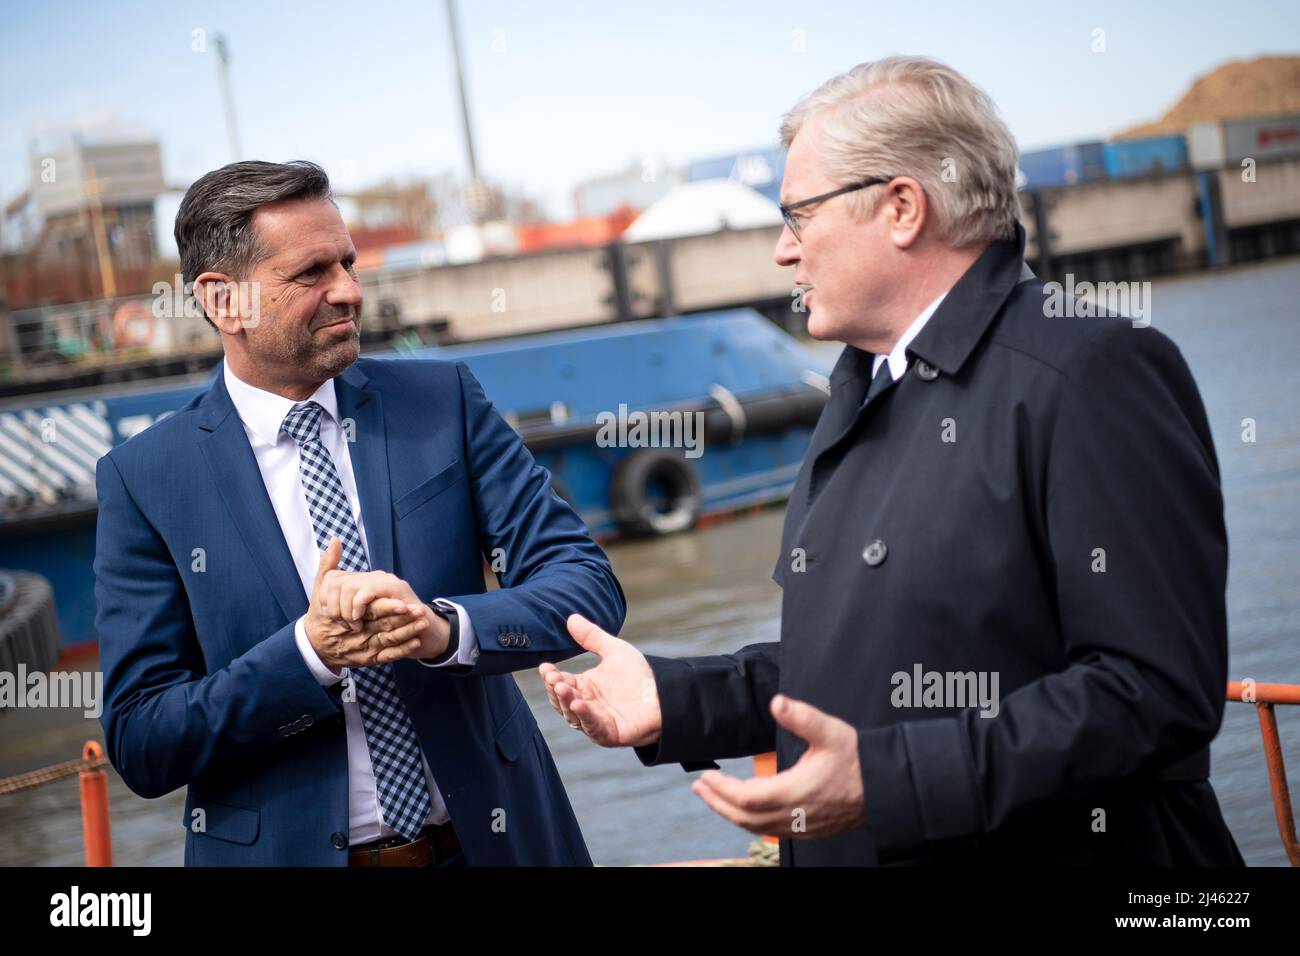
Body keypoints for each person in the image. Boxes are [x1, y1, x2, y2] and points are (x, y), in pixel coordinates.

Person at [541, 56, 1244, 866]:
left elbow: (1155, 693)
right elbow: (867, 664)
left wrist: (888, 780)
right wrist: (677, 697)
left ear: (903, 208)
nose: (782, 250)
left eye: (798, 216)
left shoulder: (1090, 373)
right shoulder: (867, 387)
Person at [95, 160, 625, 866]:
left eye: (347, 262)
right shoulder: (145, 479)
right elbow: (141, 740)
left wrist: (445, 631)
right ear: (224, 302)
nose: (348, 290)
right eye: (311, 272)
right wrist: (307, 655)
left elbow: (585, 584)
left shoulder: (444, 405)